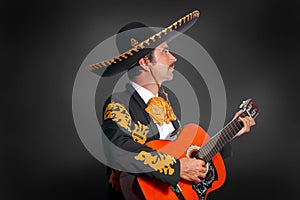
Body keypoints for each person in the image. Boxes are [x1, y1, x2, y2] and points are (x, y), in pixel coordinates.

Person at [85, 10, 255, 200]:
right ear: (144, 62)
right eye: (164, 51)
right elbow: (119, 150)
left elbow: (184, 154)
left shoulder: (165, 103)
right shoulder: (118, 103)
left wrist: (230, 132)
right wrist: (177, 168)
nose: (173, 58)